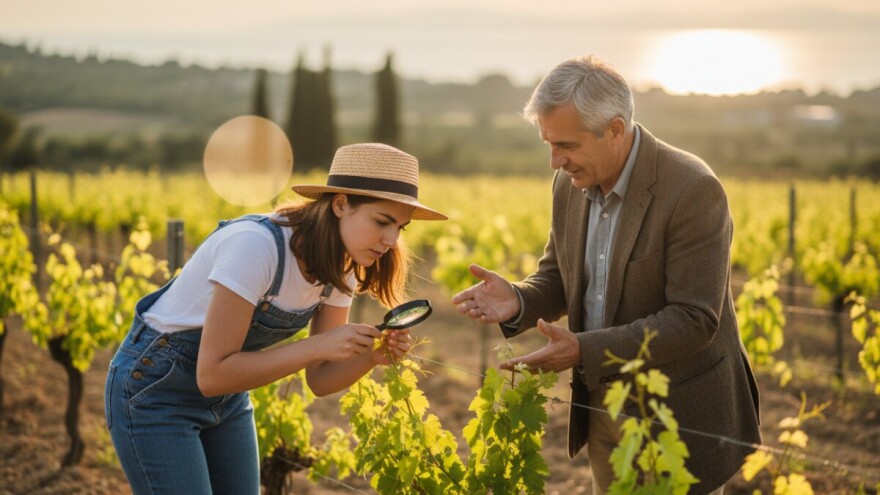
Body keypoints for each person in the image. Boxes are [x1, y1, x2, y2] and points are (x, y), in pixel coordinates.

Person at [452, 55, 760, 495]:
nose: (555, 161)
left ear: (615, 130)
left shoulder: (693, 190)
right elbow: (559, 275)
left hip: (677, 416)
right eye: (549, 145)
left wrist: (581, 350)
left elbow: (695, 320)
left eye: (567, 146)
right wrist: (518, 299)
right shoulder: (570, 184)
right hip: (601, 404)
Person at [105, 143, 447, 494]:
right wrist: (316, 346)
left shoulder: (343, 269)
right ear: (341, 204)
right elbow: (211, 375)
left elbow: (320, 380)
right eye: (382, 222)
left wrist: (371, 358)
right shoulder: (256, 247)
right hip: (157, 392)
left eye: (401, 228)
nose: (391, 240)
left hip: (230, 398)